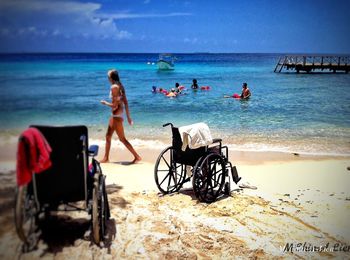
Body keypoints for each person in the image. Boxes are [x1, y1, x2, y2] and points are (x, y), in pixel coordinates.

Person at [100, 69, 141, 164]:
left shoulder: (114, 87)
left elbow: (114, 105)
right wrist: (128, 117)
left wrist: (105, 103)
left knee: (121, 139)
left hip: (116, 116)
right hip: (117, 115)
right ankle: (106, 157)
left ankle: (137, 156)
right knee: (108, 136)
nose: (107, 78)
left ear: (111, 77)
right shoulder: (121, 86)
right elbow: (125, 103)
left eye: (108, 77)